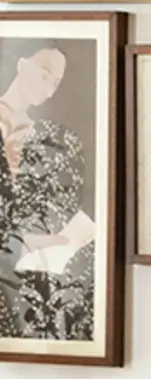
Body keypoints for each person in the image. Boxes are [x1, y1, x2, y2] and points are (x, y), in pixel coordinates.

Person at [0, 43, 95, 342]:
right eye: (45, 75)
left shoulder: (49, 136)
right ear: (22, 64)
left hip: (36, 241)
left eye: (56, 83)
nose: (49, 90)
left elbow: (60, 200)